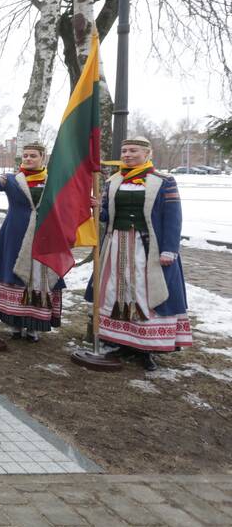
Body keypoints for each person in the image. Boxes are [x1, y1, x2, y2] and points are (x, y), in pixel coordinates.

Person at [87, 136, 190, 371]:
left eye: (133, 150)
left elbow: (173, 218)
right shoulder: (113, 181)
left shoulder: (164, 181)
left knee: (144, 292)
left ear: (147, 153)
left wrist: (169, 249)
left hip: (147, 248)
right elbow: (106, 217)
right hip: (116, 246)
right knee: (117, 290)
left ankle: (146, 348)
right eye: (124, 151)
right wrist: (97, 208)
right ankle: (122, 342)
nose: (127, 154)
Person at [0, 143, 66, 341]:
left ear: (43, 158)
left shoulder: (53, 181)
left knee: (38, 276)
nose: (28, 159)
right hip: (15, 234)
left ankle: (34, 326)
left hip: (45, 235)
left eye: (33, 155)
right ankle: (14, 323)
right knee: (13, 274)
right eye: (25, 155)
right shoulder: (10, 179)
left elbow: (68, 200)